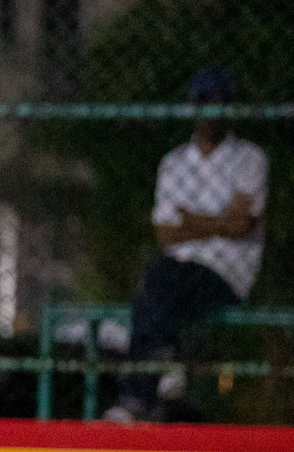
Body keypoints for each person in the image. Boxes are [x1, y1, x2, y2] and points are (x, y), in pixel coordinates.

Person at [107, 68, 268, 424]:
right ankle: (165, 372)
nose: (210, 112)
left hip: (227, 271)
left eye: (218, 104)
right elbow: (165, 234)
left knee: (163, 282)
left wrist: (191, 221)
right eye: (204, 103)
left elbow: (241, 226)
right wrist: (218, 222)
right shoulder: (175, 162)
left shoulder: (249, 158)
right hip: (176, 270)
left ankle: (140, 393)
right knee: (161, 277)